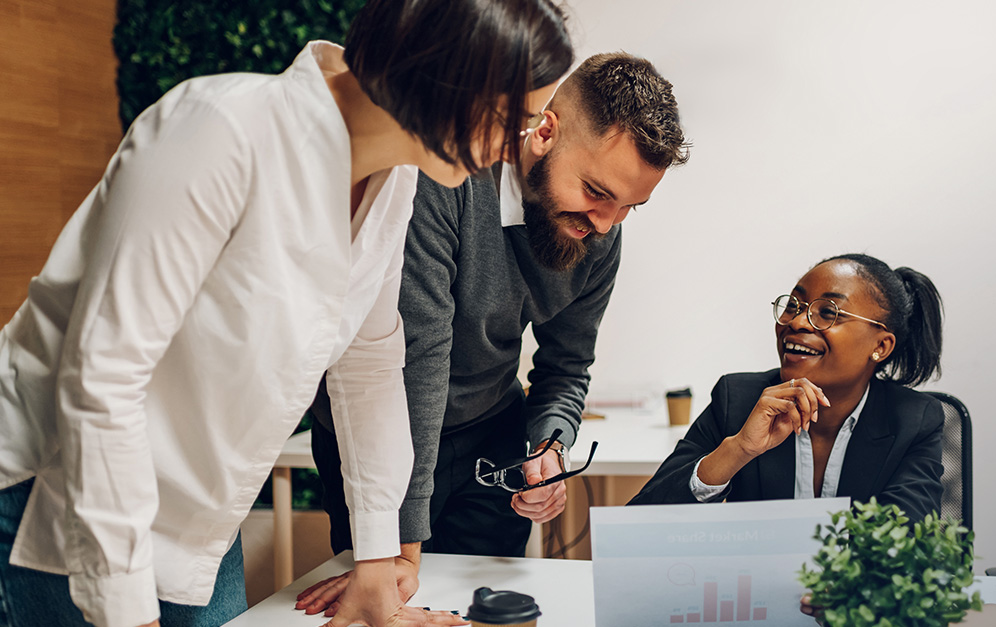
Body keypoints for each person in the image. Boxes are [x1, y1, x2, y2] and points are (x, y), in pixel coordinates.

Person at [0, 1, 572, 626]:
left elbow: (370, 362)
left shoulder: (396, 180)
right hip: (62, 489)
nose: (509, 152)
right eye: (512, 122)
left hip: (196, 509)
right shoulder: (218, 129)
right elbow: (102, 381)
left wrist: (378, 559)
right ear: (443, 76)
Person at [295, 52, 689, 617]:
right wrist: (401, 551)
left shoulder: (601, 235)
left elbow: (567, 365)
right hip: (379, 435)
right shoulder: (444, 180)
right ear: (545, 133)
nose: (605, 224)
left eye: (630, 207)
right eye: (596, 192)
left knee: (483, 611)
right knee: (383, 606)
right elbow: (418, 357)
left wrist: (550, 446)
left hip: (489, 438)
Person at [628, 253, 946, 524]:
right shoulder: (737, 400)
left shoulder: (913, 420)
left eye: (828, 312)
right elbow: (640, 524)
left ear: (880, 346)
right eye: (793, 305)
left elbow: (908, 546)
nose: (796, 322)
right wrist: (738, 450)